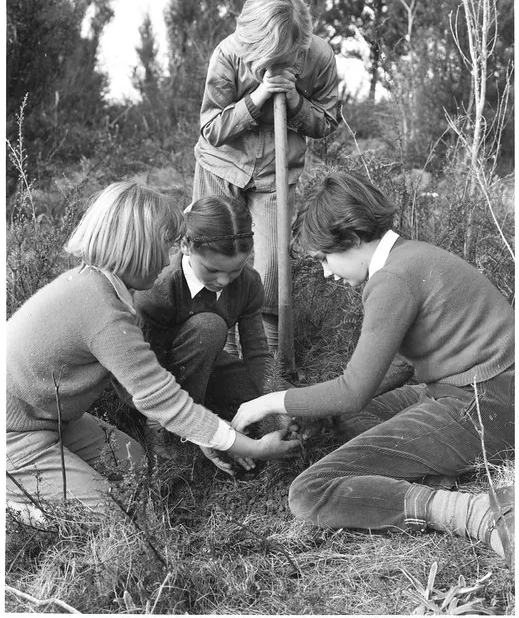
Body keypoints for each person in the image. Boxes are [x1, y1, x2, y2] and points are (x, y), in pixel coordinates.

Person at [231, 171, 515, 564]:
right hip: (480, 390)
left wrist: (270, 402)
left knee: (310, 491)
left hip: (484, 404)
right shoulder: (409, 256)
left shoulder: (392, 279)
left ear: (350, 239)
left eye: (325, 258)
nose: (328, 272)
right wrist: (318, 411)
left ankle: (474, 513)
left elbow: (353, 390)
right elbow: (396, 367)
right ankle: (430, 469)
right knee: (349, 421)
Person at [6, 181, 300, 522]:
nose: (166, 259)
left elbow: (165, 394)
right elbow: (156, 396)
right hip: (14, 432)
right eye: (164, 247)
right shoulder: (102, 309)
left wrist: (204, 433)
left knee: (136, 466)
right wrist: (247, 446)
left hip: (56, 421)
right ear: (138, 248)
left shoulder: (98, 288)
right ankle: (14, 506)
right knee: (119, 516)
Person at [193, 0, 339, 351]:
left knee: (273, 269)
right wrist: (257, 98)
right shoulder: (229, 52)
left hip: (276, 175)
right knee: (216, 258)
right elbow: (211, 129)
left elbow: (327, 122)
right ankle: (220, 357)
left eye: (287, 58)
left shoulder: (318, 56)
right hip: (221, 169)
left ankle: (272, 367)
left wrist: (293, 100)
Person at [132, 195, 277, 470]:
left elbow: (257, 351)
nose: (223, 280)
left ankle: (215, 417)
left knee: (257, 394)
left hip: (203, 367)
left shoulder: (248, 283)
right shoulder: (159, 289)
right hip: (157, 381)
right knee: (209, 327)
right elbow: (145, 369)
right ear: (186, 245)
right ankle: (163, 431)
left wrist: (272, 403)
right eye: (212, 270)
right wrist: (197, 426)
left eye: (235, 270)